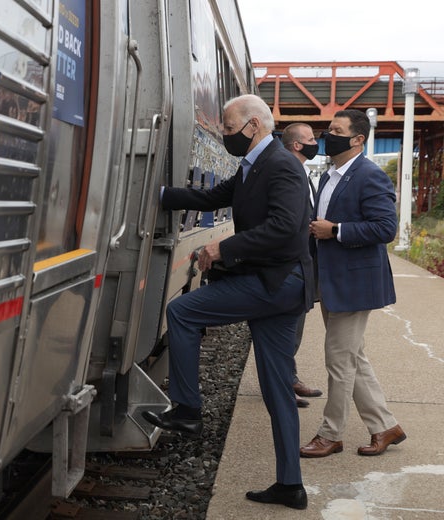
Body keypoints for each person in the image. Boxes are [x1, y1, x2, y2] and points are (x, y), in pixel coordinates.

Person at [142, 94, 314, 510]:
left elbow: (286, 228)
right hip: (276, 285)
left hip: (277, 282)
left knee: (182, 311)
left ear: (254, 125)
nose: (223, 133)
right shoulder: (254, 166)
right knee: (276, 389)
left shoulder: (282, 166)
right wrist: (159, 194)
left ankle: (186, 409)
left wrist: (224, 248)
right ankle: (290, 485)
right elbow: (212, 197)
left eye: (228, 126)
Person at [300, 109, 406, 458]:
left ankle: (330, 435)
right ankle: (385, 426)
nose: (328, 134)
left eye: (336, 130)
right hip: (332, 281)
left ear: (358, 139)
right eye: (328, 128)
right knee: (353, 358)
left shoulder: (370, 176)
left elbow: (385, 229)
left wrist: (336, 231)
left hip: (355, 284)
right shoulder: (328, 176)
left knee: (339, 360)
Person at [281, 123, 324, 408]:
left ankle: (289, 377)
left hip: (304, 264)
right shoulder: (288, 171)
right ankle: (282, 385)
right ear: (297, 145)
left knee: (295, 327)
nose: (315, 143)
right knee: (285, 328)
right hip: (289, 266)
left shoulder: (304, 173)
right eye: (310, 139)